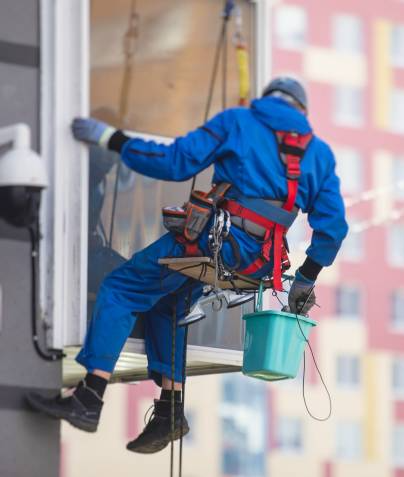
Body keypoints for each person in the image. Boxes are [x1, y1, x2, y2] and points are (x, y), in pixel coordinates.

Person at [26, 77, 348, 453]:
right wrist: (305, 279)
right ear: (301, 113)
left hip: (213, 244)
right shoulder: (319, 154)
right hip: (257, 264)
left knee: (122, 289)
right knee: (169, 303)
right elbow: (333, 227)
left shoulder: (239, 123)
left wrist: (111, 140)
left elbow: (175, 162)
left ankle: (89, 397)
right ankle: (171, 412)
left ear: (268, 100)